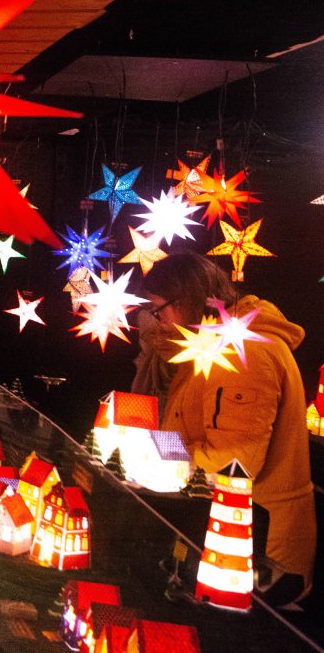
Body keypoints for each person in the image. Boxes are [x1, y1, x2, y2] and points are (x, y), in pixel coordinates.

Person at [141, 252, 315, 606]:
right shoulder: (215, 346)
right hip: (233, 539)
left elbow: (237, 461)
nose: (157, 321)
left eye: (160, 310)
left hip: (257, 552)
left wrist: (156, 463)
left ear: (187, 300)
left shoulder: (241, 354)